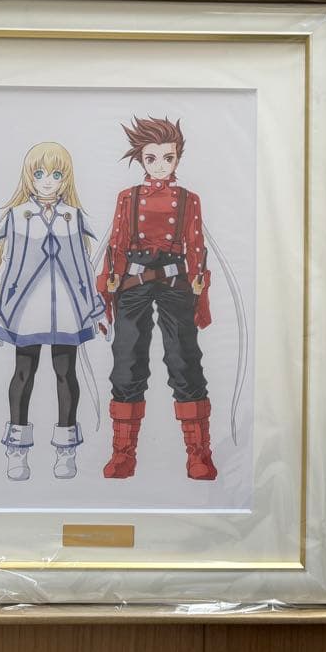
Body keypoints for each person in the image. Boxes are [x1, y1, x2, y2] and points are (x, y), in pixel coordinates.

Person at [96, 116, 218, 481]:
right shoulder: (127, 197)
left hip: (175, 280)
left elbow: (196, 247)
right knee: (127, 359)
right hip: (132, 281)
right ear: (141, 159)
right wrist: (106, 293)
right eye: (152, 158)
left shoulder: (189, 200)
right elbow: (116, 245)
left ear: (178, 157)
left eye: (168, 157)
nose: (161, 165)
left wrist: (200, 291)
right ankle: (123, 453)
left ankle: (199, 453)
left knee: (184, 358)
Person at [0, 141, 105, 480]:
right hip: (26, 308)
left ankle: (66, 450)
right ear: (29, 177)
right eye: (39, 174)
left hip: (67, 307)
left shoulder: (73, 217)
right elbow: (7, 264)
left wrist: (96, 309)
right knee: (24, 372)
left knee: (66, 373)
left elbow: (83, 265)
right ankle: (17, 450)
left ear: (66, 178)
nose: (48, 182)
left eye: (56, 174)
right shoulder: (17, 215)